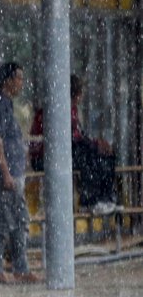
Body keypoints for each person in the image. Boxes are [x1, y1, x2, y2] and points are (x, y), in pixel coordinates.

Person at [0, 62, 41, 284]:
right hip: (4, 173)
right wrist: (5, 171)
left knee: (17, 218)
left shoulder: (5, 104)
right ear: (7, 80)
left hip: (12, 172)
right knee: (4, 219)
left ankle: (20, 267)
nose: (21, 83)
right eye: (19, 78)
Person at [29, 74, 118, 214]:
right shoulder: (53, 109)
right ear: (76, 94)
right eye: (80, 93)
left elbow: (78, 136)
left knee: (105, 155)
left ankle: (105, 198)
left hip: (63, 155)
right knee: (88, 154)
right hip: (46, 159)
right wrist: (94, 145)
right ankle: (89, 200)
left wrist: (97, 144)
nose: (81, 97)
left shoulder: (72, 109)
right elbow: (68, 139)